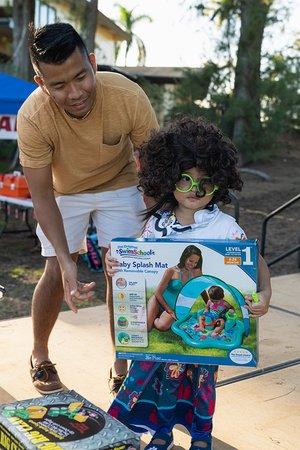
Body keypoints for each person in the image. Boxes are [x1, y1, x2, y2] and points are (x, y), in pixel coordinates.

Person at [106, 116, 271, 450]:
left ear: (218, 183)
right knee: (164, 382)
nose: (194, 190)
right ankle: (162, 433)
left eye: (205, 182)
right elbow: (136, 265)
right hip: (171, 325)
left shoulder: (226, 228)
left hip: (207, 333)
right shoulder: (157, 224)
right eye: (184, 179)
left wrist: (264, 295)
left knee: (203, 386)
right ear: (168, 178)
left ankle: (201, 436)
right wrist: (115, 266)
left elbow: (258, 266)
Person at [17, 22, 158, 396]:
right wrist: (66, 259)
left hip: (121, 182)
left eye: (81, 77)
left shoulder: (128, 95)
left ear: (93, 63)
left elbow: (157, 166)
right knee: (54, 269)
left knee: (124, 271)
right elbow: (42, 195)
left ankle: (122, 365)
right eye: (59, 86)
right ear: (40, 83)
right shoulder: (32, 116)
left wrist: (159, 226)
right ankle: (40, 356)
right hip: (64, 191)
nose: (75, 92)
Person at [147, 245, 208, 331]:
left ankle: (155, 316)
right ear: (184, 257)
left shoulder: (197, 272)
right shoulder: (171, 271)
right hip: (159, 301)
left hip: (176, 308)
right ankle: (152, 314)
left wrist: (210, 304)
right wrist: (170, 312)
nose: (193, 265)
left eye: (195, 262)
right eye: (191, 261)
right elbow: (158, 293)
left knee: (162, 326)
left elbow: (202, 290)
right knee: (146, 328)